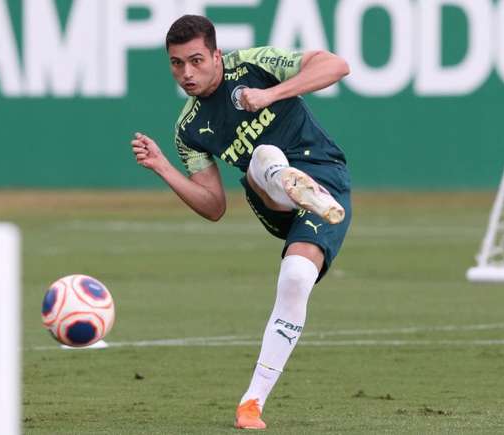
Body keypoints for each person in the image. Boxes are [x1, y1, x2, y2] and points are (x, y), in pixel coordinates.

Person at [130, 14, 352, 430]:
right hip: (269, 198)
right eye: (177, 64)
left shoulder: (254, 64)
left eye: (196, 60)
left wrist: (271, 95)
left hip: (327, 182)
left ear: (217, 54)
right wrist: (163, 167)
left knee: (297, 279)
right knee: (265, 157)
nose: (187, 73)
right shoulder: (189, 128)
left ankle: (252, 403)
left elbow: (337, 66)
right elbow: (214, 206)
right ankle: (283, 180)